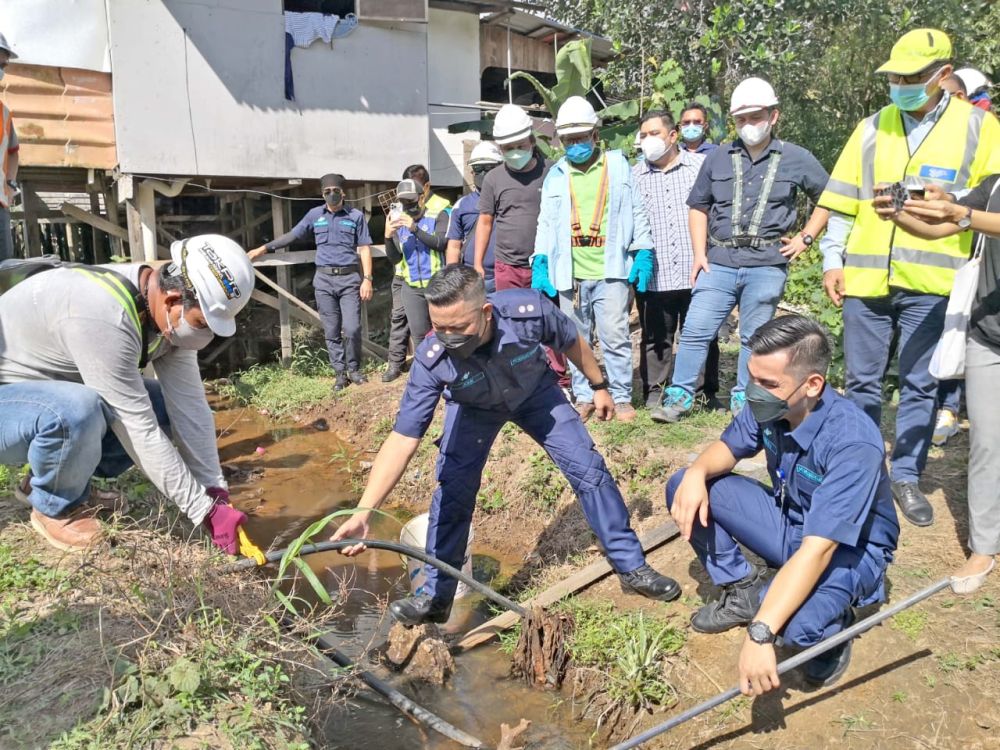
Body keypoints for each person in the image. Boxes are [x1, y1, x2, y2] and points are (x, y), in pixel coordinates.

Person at [331, 265, 680, 625]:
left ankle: (631, 566)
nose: (449, 337)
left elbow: (570, 340)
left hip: (536, 395)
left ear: (485, 313)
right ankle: (435, 597)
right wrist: (364, 511)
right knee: (453, 492)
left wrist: (599, 385)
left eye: (458, 328)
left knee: (588, 469)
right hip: (473, 410)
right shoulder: (433, 357)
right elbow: (403, 438)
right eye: (440, 328)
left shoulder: (526, 312)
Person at [818, 28, 1000, 527]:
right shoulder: (873, 126)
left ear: (943, 75)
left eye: (911, 76)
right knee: (862, 382)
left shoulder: (980, 129)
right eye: (894, 76)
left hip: (933, 281)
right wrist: (833, 259)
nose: (899, 83)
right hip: (867, 280)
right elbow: (841, 201)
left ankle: (905, 475)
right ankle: (860, 471)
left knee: (920, 385)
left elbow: (991, 203)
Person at [667, 315, 899, 693]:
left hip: (846, 548)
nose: (753, 391)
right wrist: (695, 474)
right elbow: (727, 449)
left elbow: (819, 549)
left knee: (792, 625)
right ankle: (742, 590)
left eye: (768, 383)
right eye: (752, 378)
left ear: (812, 385)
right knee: (684, 484)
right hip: (791, 523)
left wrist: (761, 633)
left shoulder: (851, 442)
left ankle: (832, 633)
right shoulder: (772, 404)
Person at [0, 236, 257, 553]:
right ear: (172, 300)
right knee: (79, 410)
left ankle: (63, 481)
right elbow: (138, 428)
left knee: (162, 405)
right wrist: (203, 512)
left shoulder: (163, 313)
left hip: (44, 394)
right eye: (202, 323)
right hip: (9, 403)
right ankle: (54, 506)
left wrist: (214, 490)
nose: (205, 336)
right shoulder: (103, 315)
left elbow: (189, 408)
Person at [652, 77, 830, 423]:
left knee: (755, 335)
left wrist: (805, 237)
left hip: (766, 263)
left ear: (773, 116)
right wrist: (699, 253)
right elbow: (698, 206)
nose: (748, 125)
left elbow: (829, 197)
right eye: (741, 119)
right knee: (695, 329)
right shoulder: (718, 157)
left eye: (755, 117)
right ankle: (679, 397)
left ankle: (744, 399)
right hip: (719, 259)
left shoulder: (797, 158)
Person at [873, 173, 1000, 592]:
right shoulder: (994, 185)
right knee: (987, 443)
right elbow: (939, 228)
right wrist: (899, 214)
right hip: (990, 335)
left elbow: (963, 218)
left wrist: (962, 213)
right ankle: (983, 548)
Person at [533, 96, 655, 422]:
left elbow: (636, 211)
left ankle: (622, 396)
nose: (575, 145)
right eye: (569, 140)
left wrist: (643, 250)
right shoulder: (556, 175)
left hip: (609, 268)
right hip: (570, 272)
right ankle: (585, 395)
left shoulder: (617, 166)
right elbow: (545, 222)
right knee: (576, 338)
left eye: (580, 137)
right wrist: (540, 259)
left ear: (595, 135)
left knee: (615, 335)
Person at [476, 104, 570, 393]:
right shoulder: (493, 179)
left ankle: (560, 380)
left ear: (531, 139)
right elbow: (485, 221)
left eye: (520, 145)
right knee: (511, 324)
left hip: (545, 265)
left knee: (550, 320)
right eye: (508, 148)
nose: (515, 152)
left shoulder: (552, 172)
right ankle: (519, 380)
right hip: (507, 266)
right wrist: (478, 262)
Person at [248, 173, 373, 391]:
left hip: (349, 279)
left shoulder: (355, 216)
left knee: (352, 328)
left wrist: (368, 279)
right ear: (322, 194)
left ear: (343, 193)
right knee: (332, 330)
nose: (331, 195)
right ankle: (340, 374)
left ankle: (354, 369)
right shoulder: (315, 215)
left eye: (335, 191)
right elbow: (292, 235)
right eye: (327, 191)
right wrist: (263, 248)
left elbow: (364, 248)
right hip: (324, 280)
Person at [633, 110, 722, 409]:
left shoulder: (702, 166)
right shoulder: (635, 176)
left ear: (673, 136)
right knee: (656, 336)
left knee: (702, 335)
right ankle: (655, 391)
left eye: (655, 133)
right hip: (654, 272)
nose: (648, 140)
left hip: (696, 267)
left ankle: (702, 393)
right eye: (644, 135)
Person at [383, 165, 452, 383]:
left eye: (412, 199)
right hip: (411, 284)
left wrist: (415, 229)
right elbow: (395, 258)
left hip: (437, 283)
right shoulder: (398, 214)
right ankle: (429, 378)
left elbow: (441, 243)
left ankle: (451, 373)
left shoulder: (440, 209)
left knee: (445, 329)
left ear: (424, 193)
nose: (408, 205)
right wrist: (387, 236)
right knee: (420, 335)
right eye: (404, 200)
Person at [447, 141, 503, 293]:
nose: (484, 174)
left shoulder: (510, 199)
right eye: (478, 169)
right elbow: (454, 245)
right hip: (472, 279)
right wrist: (453, 279)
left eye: (489, 168)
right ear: (472, 172)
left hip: (506, 276)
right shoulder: (462, 206)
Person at [0, 33, 20, 262]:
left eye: (3, 65)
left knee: (3, 273)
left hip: (0, 205)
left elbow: (13, 153)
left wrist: (10, 184)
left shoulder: (4, 113)